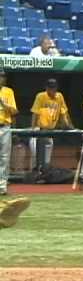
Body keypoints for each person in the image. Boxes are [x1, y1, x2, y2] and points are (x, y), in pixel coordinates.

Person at [30, 79, 72, 173]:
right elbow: (35, 112)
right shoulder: (41, 96)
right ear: (46, 88)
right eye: (50, 88)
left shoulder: (59, 96)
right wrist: (33, 129)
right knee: (35, 157)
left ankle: (44, 174)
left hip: (50, 131)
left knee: (47, 160)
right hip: (39, 130)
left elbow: (64, 112)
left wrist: (68, 124)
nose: (52, 90)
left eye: (54, 88)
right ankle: (34, 176)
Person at [0, 67, 18, 195]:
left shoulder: (8, 92)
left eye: (3, 76)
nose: (1, 78)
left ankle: (2, 186)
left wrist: (4, 104)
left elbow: (15, 111)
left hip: (5, 126)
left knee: (5, 158)